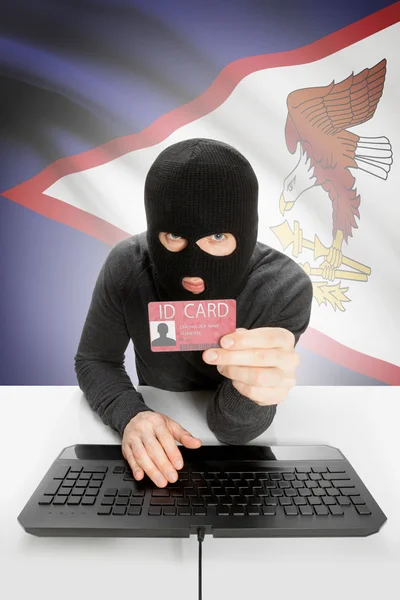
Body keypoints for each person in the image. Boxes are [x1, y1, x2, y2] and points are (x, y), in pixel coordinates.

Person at [74, 138, 313, 489]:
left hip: (242, 458)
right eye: (173, 235)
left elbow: (231, 431)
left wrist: (252, 392)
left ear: (245, 232)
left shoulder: (282, 287)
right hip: (153, 443)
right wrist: (131, 415)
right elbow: (94, 360)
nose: (192, 266)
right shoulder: (127, 264)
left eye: (217, 235)